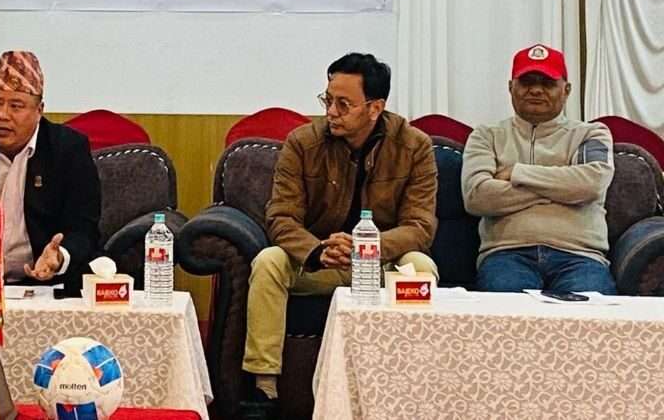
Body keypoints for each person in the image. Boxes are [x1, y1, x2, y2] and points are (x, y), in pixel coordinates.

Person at [243, 53, 438, 419]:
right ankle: (262, 389)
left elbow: (420, 226)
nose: (331, 112)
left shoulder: (414, 146)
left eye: (343, 104)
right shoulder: (302, 143)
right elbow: (281, 216)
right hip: (320, 262)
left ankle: (412, 383)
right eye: (328, 100)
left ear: (375, 108)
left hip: (379, 265)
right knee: (269, 262)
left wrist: (370, 247)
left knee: (420, 265)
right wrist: (316, 250)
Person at [0, 50, 101, 296]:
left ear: (39, 110)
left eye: (16, 106)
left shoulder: (67, 149)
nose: (2, 115)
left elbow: (84, 228)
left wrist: (59, 256)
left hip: (44, 287)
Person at [462, 44, 616, 294]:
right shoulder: (486, 135)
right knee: (507, 312)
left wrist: (517, 173)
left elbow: (591, 184)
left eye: (547, 83)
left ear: (566, 90)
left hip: (580, 256)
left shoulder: (591, 133)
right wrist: (561, 187)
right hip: (507, 255)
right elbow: (477, 196)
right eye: (526, 82)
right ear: (510, 87)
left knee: (588, 312)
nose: (535, 90)